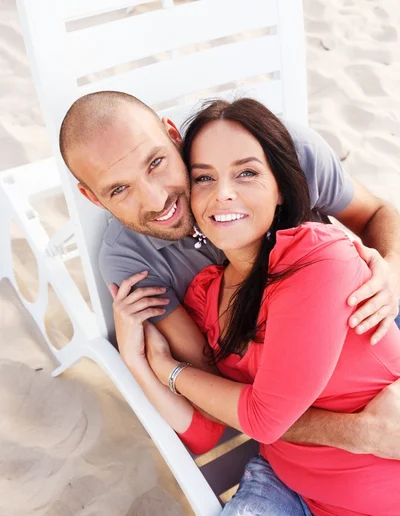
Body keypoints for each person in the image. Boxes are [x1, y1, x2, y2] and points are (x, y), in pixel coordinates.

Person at [112, 98, 400, 516]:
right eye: (203, 178)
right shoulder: (205, 294)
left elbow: (262, 419)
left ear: (280, 189)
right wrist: (142, 362)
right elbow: (205, 432)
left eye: (246, 174)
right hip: (284, 492)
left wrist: (175, 373)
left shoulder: (321, 261)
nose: (223, 194)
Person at [59, 91, 400, 458]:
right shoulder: (129, 260)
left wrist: (392, 270)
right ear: (93, 198)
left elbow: (376, 212)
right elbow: (217, 388)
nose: (157, 200)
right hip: (295, 416)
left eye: (156, 163)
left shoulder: (277, 149)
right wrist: (356, 432)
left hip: (375, 322)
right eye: (120, 189)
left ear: (172, 134)